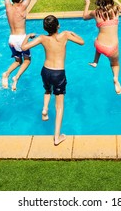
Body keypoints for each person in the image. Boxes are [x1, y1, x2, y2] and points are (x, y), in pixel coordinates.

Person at [21, 15, 84, 146]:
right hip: (58, 73)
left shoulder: (42, 38)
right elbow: (81, 41)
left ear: (45, 28)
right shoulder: (65, 35)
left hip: (46, 70)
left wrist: (27, 36)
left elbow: (24, 47)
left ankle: (44, 109)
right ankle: (57, 137)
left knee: (47, 90)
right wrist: (72, 32)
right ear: (58, 26)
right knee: (59, 106)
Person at [0, 0, 40, 91]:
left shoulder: (8, 7)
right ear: (21, 0)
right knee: (27, 61)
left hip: (11, 39)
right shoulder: (23, 7)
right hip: (22, 39)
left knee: (17, 61)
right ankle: (15, 78)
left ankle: (6, 74)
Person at [83, 0, 121, 95]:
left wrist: (87, 4)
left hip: (99, 45)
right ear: (111, 0)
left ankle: (95, 62)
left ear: (99, 1)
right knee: (115, 64)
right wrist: (117, 0)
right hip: (112, 48)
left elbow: (84, 17)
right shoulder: (116, 9)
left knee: (98, 40)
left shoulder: (96, 12)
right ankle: (116, 79)